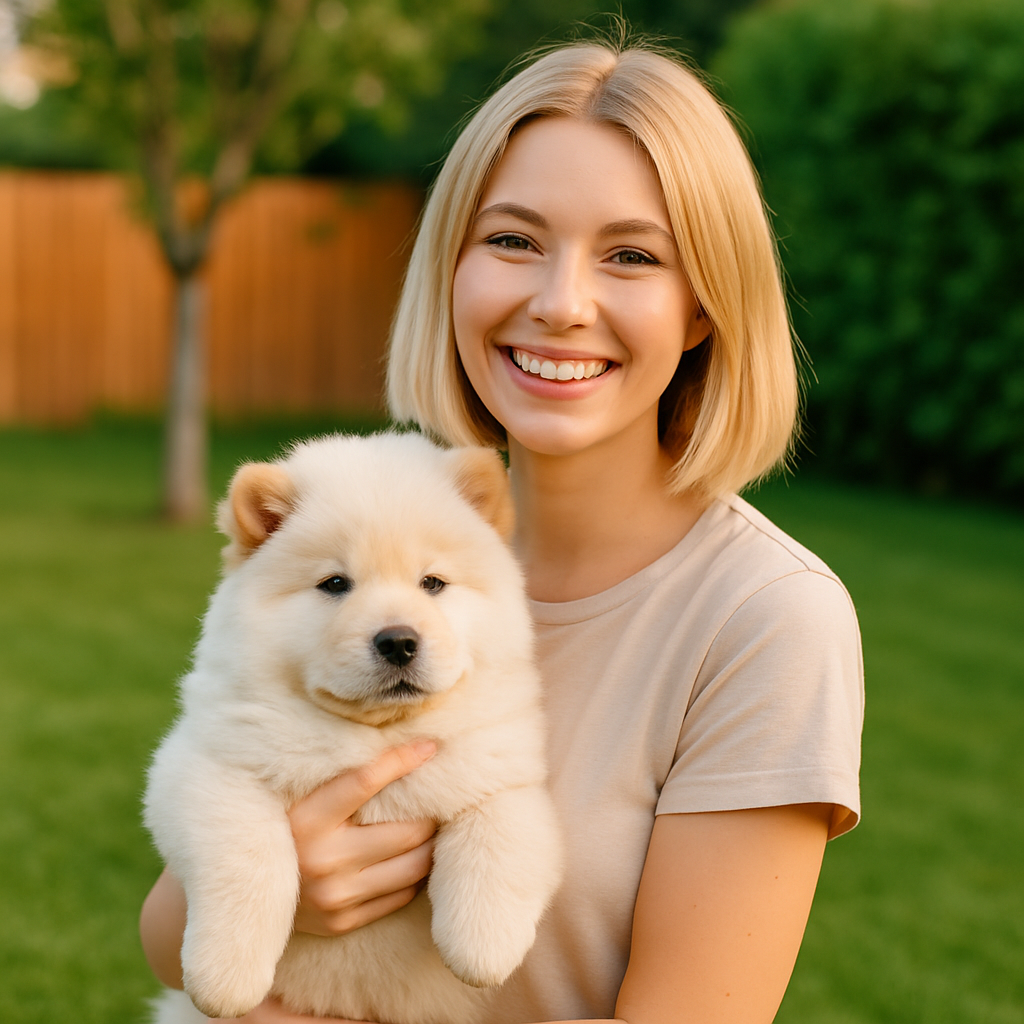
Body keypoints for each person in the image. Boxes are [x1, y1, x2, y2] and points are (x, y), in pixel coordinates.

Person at [140, 35, 863, 1024]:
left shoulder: (764, 620)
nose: (560, 303)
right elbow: (173, 940)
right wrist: (281, 884)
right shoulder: (382, 538)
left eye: (631, 255)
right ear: (452, 268)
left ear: (703, 307)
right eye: (514, 239)